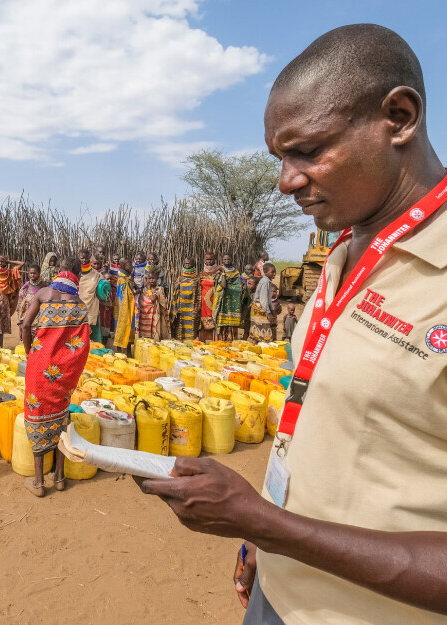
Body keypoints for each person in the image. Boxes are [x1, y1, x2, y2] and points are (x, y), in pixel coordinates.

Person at [135, 24, 447, 622]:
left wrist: (269, 523)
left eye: (308, 150)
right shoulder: (341, 259)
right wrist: (265, 536)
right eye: (280, 158)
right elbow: (320, 422)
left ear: (400, 117)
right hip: (277, 594)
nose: (287, 181)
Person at [22, 270, 90, 496]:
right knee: (62, 417)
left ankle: (39, 483)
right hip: (63, 372)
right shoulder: (80, 304)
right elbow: (83, 345)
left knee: (36, 413)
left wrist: (30, 353)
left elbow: (25, 326)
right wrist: (70, 370)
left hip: (39, 365)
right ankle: (59, 477)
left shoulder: (43, 293)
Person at [217, 253, 247, 341]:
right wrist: (223, 273)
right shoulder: (219, 272)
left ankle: (234, 340)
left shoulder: (236, 272)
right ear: (222, 261)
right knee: (224, 323)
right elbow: (223, 285)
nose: (227, 261)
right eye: (225, 259)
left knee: (233, 324)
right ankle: (223, 340)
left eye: (228, 259)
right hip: (224, 300)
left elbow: (239, 285)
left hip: (234, 300)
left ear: (232, 261)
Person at [172, 258, 202, 341]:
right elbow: (175, 293)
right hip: (181, 309)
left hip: (191, 310)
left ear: (194, 265)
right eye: (186, 264)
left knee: (191, 332)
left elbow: (199, 295)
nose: (187, 265)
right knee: (180, 331)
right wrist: (178, 283)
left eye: (189, 264)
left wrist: (197, 309)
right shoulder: (180, 278)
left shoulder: (197, 279)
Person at [199, 251, 221, 341]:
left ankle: (214, 340)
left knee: (215, 318)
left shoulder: (219, 272)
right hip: (204, 302)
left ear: (214, 259)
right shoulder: (201, 273)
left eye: (211, 259)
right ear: (204, 259)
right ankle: (203, 340)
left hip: (215, 301)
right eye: (207, 259)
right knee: (204, 321)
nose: (209, 261)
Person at [137, 274, 163, 341]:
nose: (151, 280)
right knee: (144, 338)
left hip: (154, 314)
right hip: (144, 315)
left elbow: (152, 299)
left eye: (153, 278)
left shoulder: (159, 289)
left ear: (157, 279)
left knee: (154, 333)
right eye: (149, 278)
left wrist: (149, 289)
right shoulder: (143, 290)